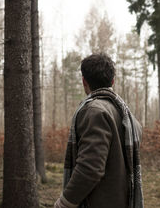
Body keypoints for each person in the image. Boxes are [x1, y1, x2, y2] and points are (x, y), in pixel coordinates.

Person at [54, 53, 144, 208]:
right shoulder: (127, 116)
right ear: (113, 81)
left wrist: (65, 202)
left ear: (84, 81)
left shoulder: (94, 111)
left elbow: (90, 167)